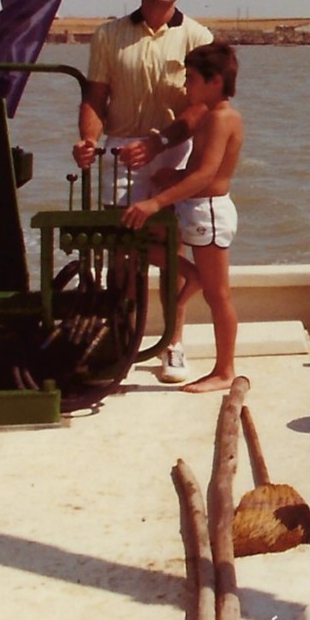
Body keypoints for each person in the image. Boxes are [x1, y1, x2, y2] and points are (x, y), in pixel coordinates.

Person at [74, 0, 213, 382]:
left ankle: (173, 344)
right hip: (121, 150)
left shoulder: (199, 38)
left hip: (174, 147)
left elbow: (202, 108)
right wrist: (87, 141)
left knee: (169, 247)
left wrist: (158, 143)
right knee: (123, 253)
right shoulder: (108, 35)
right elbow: (95, 97)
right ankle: (121, 341)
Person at [122, 44, 245, 394]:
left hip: (208, 212)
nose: (186, 86)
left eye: (191, 79)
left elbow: (208, 175)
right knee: (142, 247)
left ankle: (224, 370)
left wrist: (156, 202)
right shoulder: (207, 114)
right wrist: (173, 176)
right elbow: (197, 167)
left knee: (219, 295)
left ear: (215, 80)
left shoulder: (224, 117)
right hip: (193, 208)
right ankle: (190, 277)